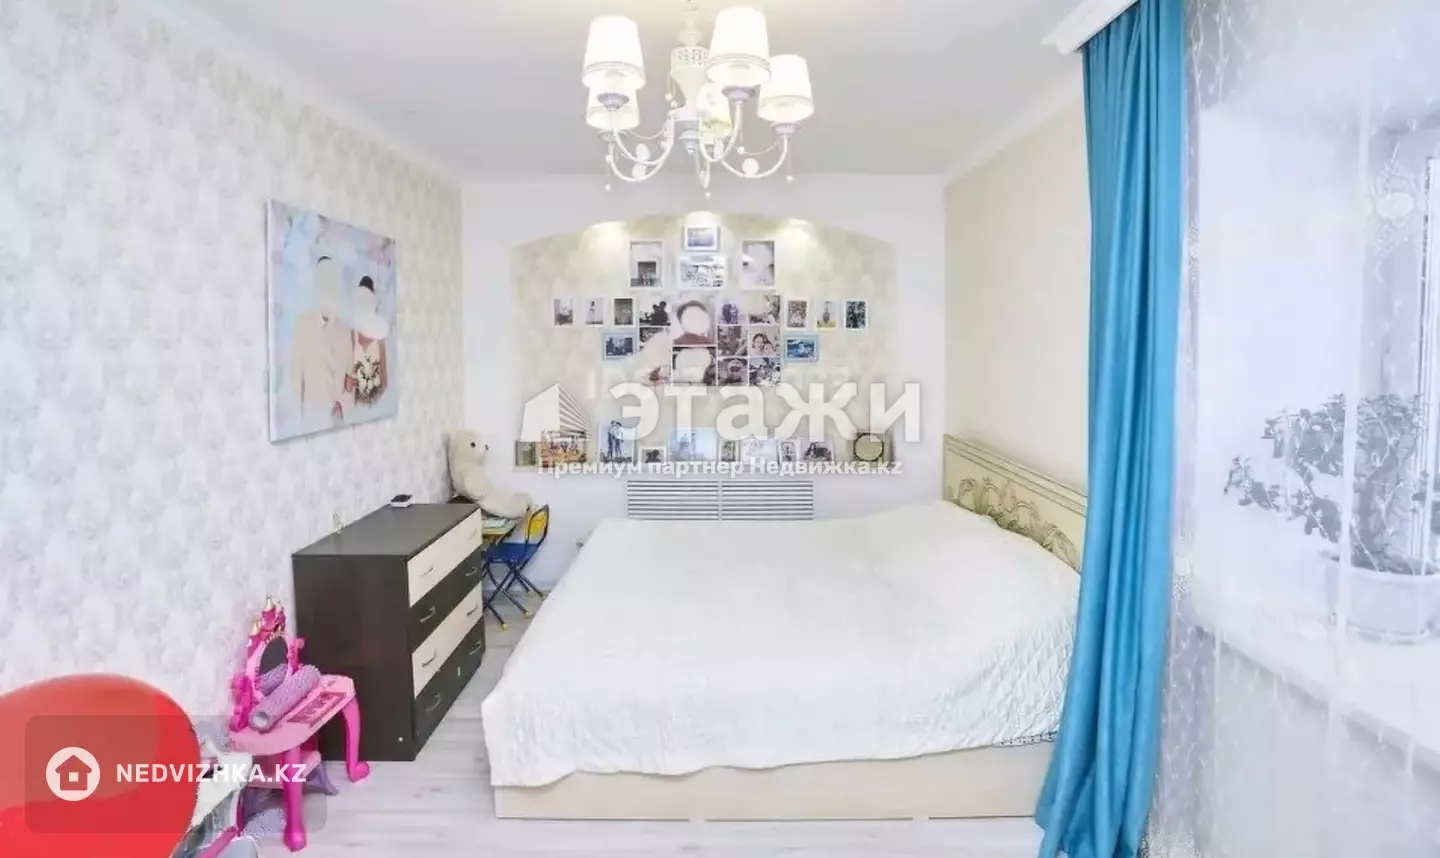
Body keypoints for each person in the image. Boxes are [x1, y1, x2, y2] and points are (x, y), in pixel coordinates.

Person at [291, 256, 355, 426]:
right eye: (324, 279)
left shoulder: (345, 329)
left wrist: (345, 407)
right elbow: (296, 383)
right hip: (311, 422)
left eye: (333, 280)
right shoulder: (302, 325)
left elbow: (350, 381)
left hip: (341, 423)